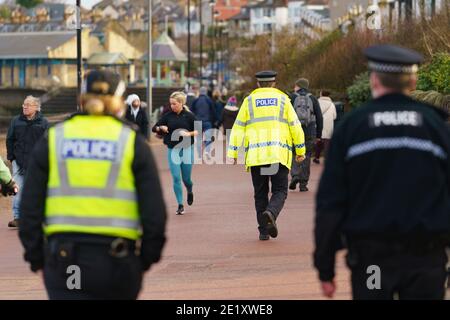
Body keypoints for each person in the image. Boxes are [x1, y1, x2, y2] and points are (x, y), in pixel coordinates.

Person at [314, 44, 450, 300]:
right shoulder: (436, 126)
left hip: (373, 260)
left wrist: (325, 267)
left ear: (374, 80)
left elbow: (330, 204)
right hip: (425, 260)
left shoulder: (352, 128)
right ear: (412, 80)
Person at [19, 70, 167, 300]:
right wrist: (143, 261)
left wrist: (37, 258)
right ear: (119, 103)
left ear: (82, 99)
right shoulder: (131, 142)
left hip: (66, 260)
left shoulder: (55, 138)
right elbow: (154, 213)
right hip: (116, 261)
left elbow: (30, 207)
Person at [227, 71, 306, 241]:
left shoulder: (248, 101)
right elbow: (295, 126)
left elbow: (238, 127)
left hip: (257, 157)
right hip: (277, 155)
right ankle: (271, 213)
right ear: (273, 83)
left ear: (258, 84)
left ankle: (263, 231)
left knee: (260, 193)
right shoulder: (284, 100)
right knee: (280, 190)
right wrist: (300, 151)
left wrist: (233, 152)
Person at [152, 92, 198, 215]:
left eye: (174, 104)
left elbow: (198, 129)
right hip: (173, 150)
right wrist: (161, 128)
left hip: (187, 149)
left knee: (186, 179)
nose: (172, 106)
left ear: (181, 103)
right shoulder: (167, 116)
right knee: (176, 178)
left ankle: (189, 189)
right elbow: (154, 128)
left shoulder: (189, 116)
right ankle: (180, 204)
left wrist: (188, 134)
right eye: (170, 104)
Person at [6, 95, 48, 228]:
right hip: (18, 161)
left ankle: (38, 217)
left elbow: (48, 142)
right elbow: (10, 139)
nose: (24, 106)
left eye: (28, 105)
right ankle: (18, 217)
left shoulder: (44, 123)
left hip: (37, 162)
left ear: (36, 107)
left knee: (38, 190)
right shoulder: (15, 121)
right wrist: (11, 157)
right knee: (17, 189)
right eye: (24, 104)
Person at [289, 78, 323, 192]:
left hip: (294, 131)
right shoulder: (312, 98)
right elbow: (319, 117)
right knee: (307, 156)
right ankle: (303, 184)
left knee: (294, 153)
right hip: (309, 131)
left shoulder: (292, 97)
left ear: (298, 86)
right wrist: (318, 135)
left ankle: (295, 175)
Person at [191, 87, 217, 158]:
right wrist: (215, 121)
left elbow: (191, 111)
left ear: (199, 92)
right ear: (205, 92)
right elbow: (213, 111)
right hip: (207, 122)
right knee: (208, 138)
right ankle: (207, 151)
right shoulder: (209, 100)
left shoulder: (195, 100)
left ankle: (199, 155)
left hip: (197, 122)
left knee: (199, 139)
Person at [313, 90, 337, 164]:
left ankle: (316, 158)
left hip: (319, 124)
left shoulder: (317, 103)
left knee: (319, 141)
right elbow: (334, 116)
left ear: (321, 94)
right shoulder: (332, 104)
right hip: (329, 126)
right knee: (327, 143)